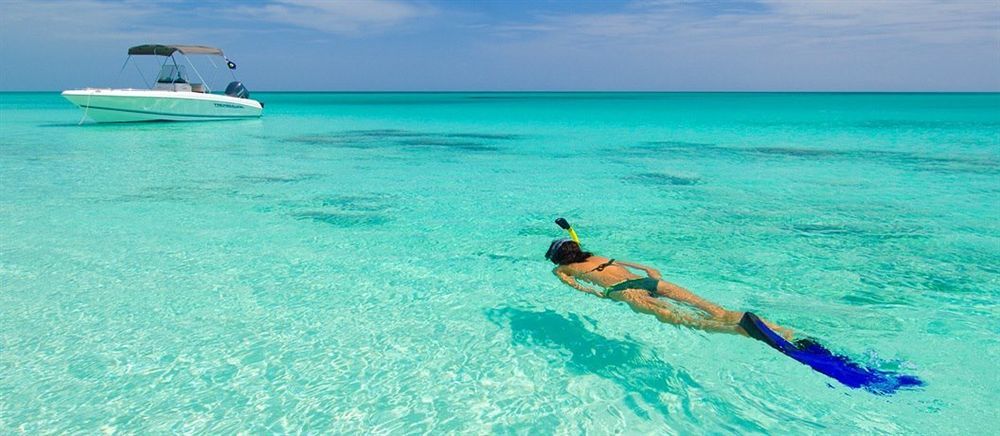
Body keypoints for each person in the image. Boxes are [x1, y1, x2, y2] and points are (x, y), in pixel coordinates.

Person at [545, 238, 793, 339]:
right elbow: (633, 264)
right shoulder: (597, 256)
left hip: (625, 290)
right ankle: (778, 329)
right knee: (710, 307)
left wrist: (600, 294)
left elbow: (578, 287)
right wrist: (647, 271)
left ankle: (742, 331)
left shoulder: (561, 270)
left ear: (557, 258)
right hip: (649, 281)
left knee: (683, 319)